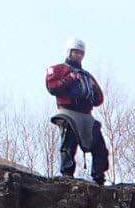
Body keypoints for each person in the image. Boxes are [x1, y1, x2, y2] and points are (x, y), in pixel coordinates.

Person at [45, 39, 108, 184]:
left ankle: (99, 177)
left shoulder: (87, 75)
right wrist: (69, 79)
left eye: (81, 53)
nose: (78, 55)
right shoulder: (58, 69)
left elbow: (99, 99)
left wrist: (93, 88)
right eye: (75, 52)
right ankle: (67, 174)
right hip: (67, 112)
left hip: (86, 115)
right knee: (69, 143)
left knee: (100, 147)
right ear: (69, 52)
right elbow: (52, 87)